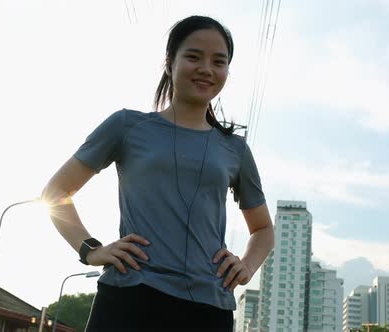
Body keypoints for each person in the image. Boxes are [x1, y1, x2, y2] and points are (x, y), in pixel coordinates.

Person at [42, 15, 274, 331]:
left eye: (218, 62)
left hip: (208, 306)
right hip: (129, 298)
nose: (206, 68)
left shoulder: (234, 149)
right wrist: (91, 250)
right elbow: (56, 193)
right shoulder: (126, 126)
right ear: (169, 63)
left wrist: (246, 266)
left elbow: (262, 229)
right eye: (193, 56)